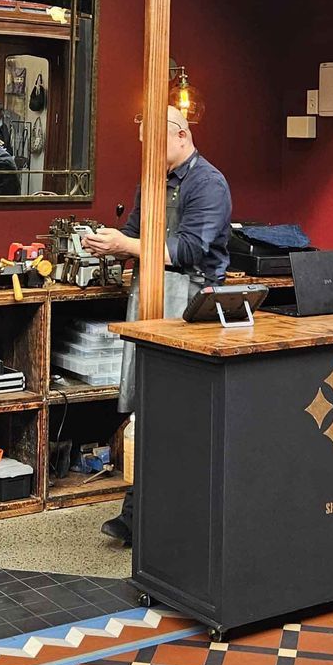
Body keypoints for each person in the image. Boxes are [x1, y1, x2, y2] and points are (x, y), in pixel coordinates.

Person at [85, 106, 232, 546]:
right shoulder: (151, 181)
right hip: (148, 299)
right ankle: (140, 513)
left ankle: (157, 514)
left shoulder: (209, 183)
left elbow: (188, 250)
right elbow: (133, 232)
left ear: (182, 135)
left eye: (154, 142)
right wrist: (104, 244)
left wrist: (125, 243)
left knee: (179, 410)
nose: (147, 151)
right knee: (147, 406)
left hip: (188, 304)